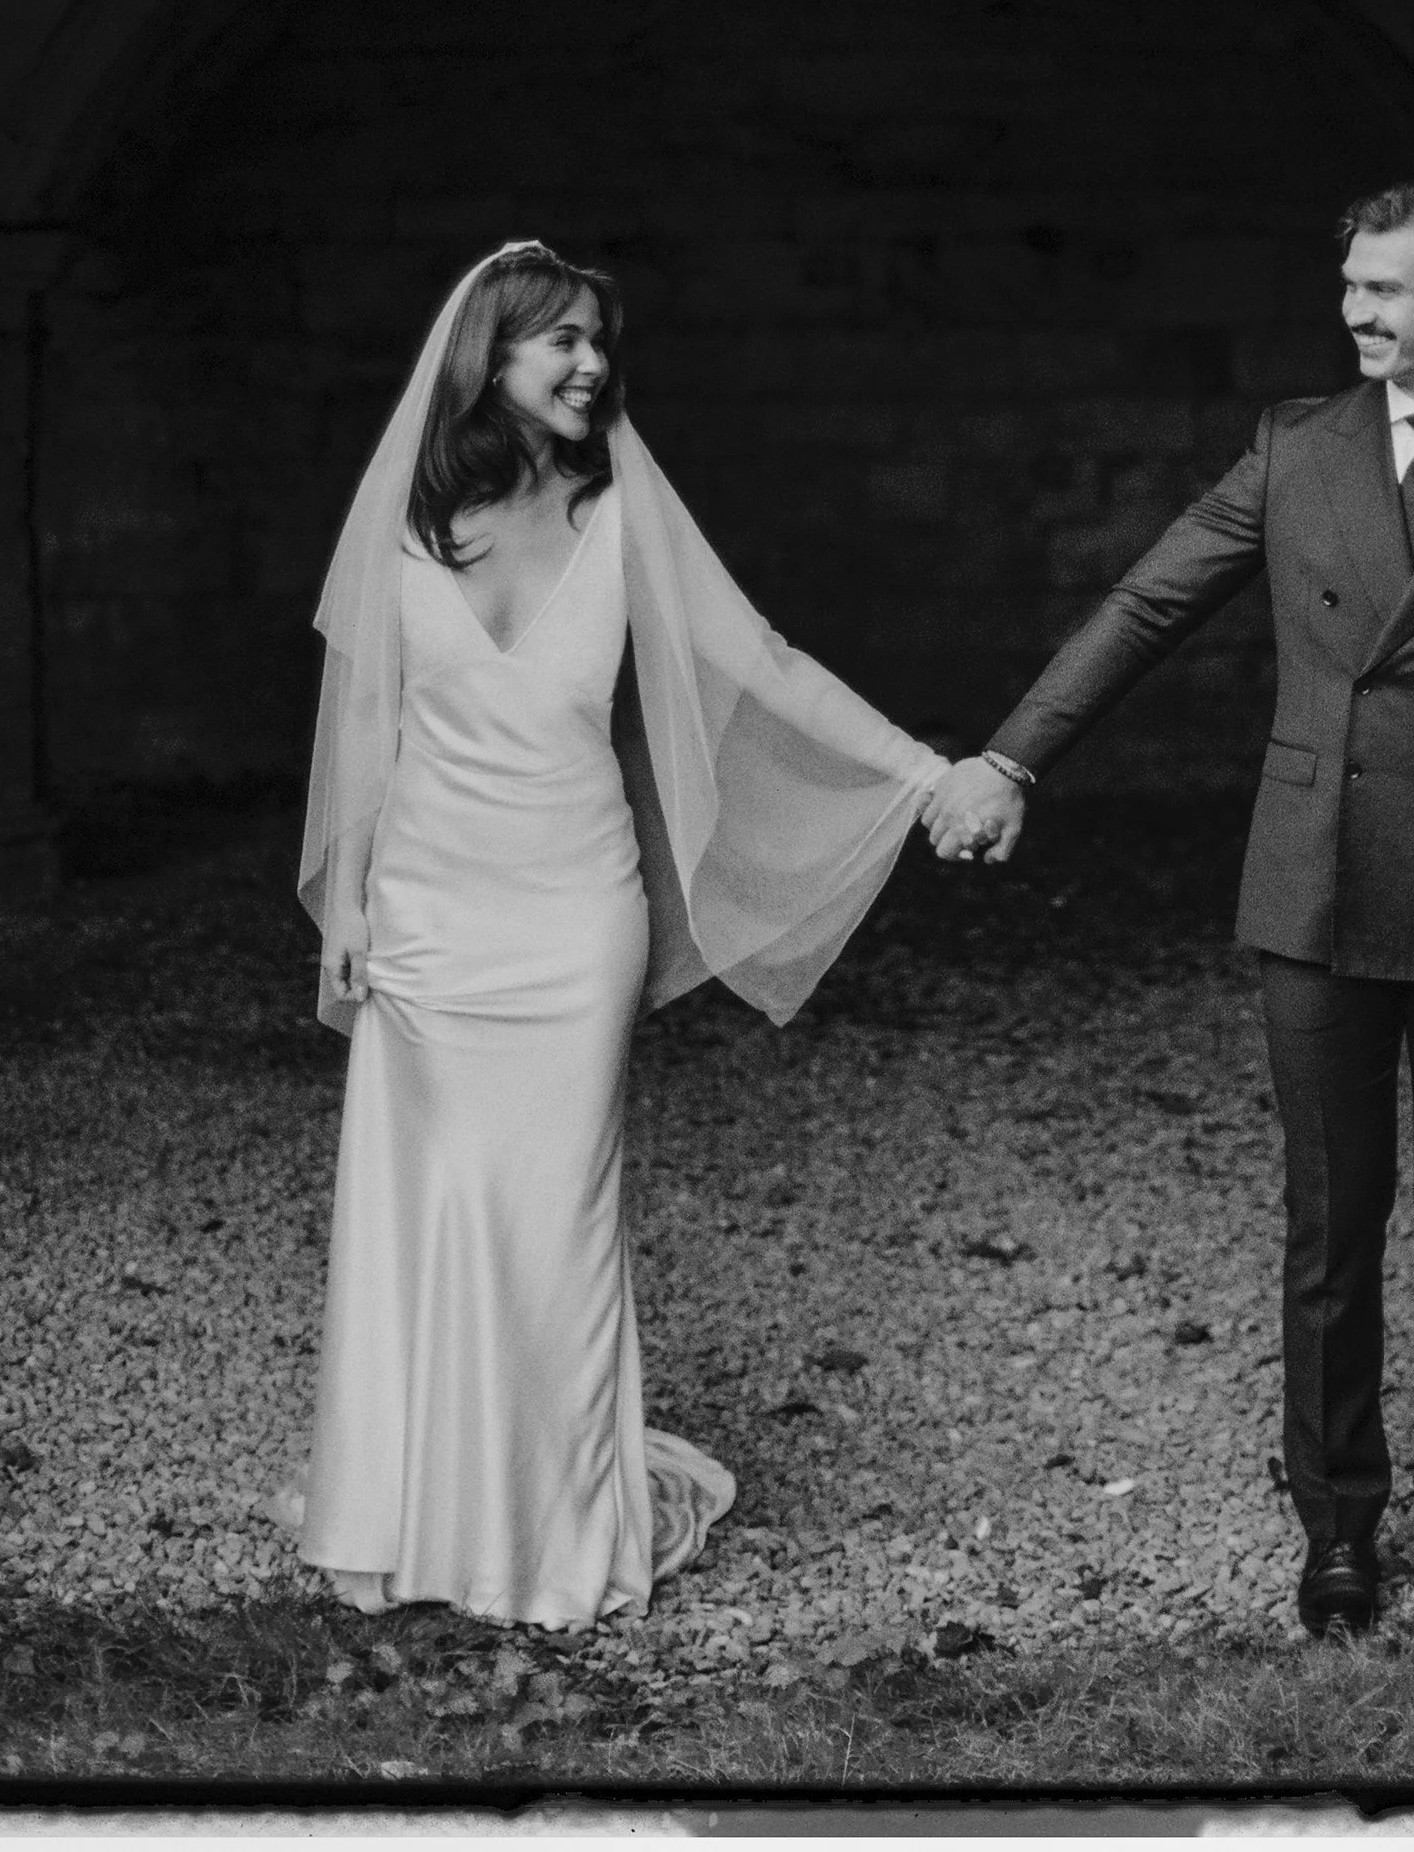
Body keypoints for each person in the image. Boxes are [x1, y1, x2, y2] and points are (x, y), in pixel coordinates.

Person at [924, 177, 1414, 1643]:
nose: (1353, 313)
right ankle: (1339, 1532)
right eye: (1347, 288)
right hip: (1314, 890)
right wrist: (1013, 757)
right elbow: (1146, 605)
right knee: (1330, 1229)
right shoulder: (1293, 449)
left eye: (1382, 289)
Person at [288, 241, 953, 1630]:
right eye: (563, 342)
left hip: (575, 914)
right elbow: (363, 725)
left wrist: (922, 767)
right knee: (435, 1208)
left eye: (600, 341)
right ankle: (419, 1515)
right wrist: (344, 902)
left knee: (558, 1218)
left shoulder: (624, 509)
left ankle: (559, 1535)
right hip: (428, 915)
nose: (592, 364)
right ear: (493, 356)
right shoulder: (408, 519)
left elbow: (761, 658)